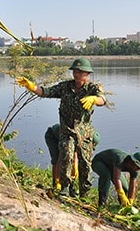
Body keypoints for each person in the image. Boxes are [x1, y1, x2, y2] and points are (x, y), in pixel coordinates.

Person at [17, 58, 106, 197]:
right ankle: (65, 187)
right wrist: (32, 87)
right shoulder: (65, 87)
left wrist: (94, 99)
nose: (77, 74)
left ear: (87, 74)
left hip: (84, 133)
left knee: (85, 164)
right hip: (67, 130)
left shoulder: (92, 88)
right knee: (66, 156)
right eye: (75, 71)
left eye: (80, 71)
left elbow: (102, 100)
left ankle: (84, 193)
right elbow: (46, 92)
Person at [44, 123, 101, 190]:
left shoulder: (83, 138)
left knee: (71, 161)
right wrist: (57, 180)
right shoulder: (77, 137)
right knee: (57, 159)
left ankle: (70, 185)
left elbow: (76, 154)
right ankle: (55, 183)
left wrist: (75, 167)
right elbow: (61, 159)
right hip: (52, 136)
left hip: (65, 138)